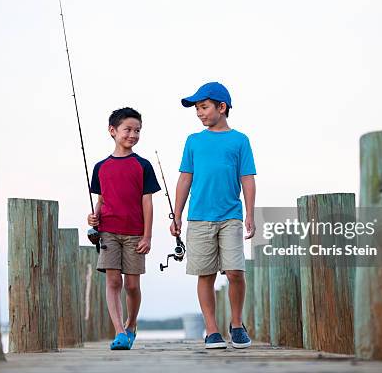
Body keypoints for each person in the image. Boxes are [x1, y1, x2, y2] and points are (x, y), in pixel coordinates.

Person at [171, 82, 256, 349]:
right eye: (197, 108)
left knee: (235, 272)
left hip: (231, 216)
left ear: (222, 107)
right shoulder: (193, 141)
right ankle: (212, 330)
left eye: (204, 107)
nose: (199, 113)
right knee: (205, 274)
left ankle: (237, 324)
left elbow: (247, 179)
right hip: (199, 219)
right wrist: (177, 214)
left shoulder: (240, 140)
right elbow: (185, 178)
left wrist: (250, 214)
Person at [87, 107, 161, 350]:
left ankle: (131, 325)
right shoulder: (100, 167)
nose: (133, 134)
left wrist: (147, 236)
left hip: (135, 234)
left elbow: (147, 201)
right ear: (112, 131)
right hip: (108, 231)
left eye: (137, 130)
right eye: (128, 129)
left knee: (132, 285)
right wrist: (93, 217)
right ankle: (119, 332)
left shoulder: (143, 165)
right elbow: (101, 199)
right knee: (113, 282)